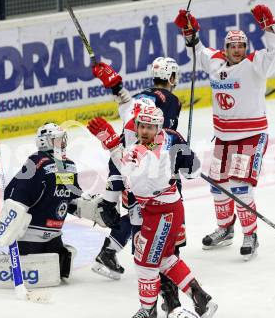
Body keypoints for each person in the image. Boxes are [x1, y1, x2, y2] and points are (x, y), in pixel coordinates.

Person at [174, 4, 275, 260]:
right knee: (217, 187)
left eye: (241, 46)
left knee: (239, 186)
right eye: (232, 46)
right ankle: (225, 229)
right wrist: (188, 30)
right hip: (223, 138)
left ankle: (250, 234)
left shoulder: (256, 63)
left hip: (251, 135)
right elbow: (197, 51)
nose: (237, 50)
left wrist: (269, 28)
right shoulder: (215, 62)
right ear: (225, 48)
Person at [87, 105, 218, 318]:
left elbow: (127, 168)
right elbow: (191, 171)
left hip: (161, 214)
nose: (145, 130)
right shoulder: (160, 140)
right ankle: (202, 299)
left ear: (159, 128)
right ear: (136, 126)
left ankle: (148, 312)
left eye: (150, 127)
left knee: (145, 263)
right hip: (163, 209)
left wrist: (112, 144)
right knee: (165, 259)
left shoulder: (142, 149)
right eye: (142, 126)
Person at [90, 58, 185, 314]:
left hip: (130, 176)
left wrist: (116, 85)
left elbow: (125, 109)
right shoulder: (169, 102)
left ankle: (150, 298)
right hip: (154, 180)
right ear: (172, 77)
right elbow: (165, 142)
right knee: (161, 242)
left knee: (142, 232)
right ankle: (168, 299)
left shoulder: (138, 100)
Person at [0, 123, 119, 284]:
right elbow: (18, 193)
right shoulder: (37, 162)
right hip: (30, 237)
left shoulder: (69, 165)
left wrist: (90, 209)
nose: (62, 143)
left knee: (60, 272)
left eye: (63, 139)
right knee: (42, 277)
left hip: (54, 237)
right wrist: (13, 216)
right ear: (44, 141)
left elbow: (69, 197)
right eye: (57, 139)